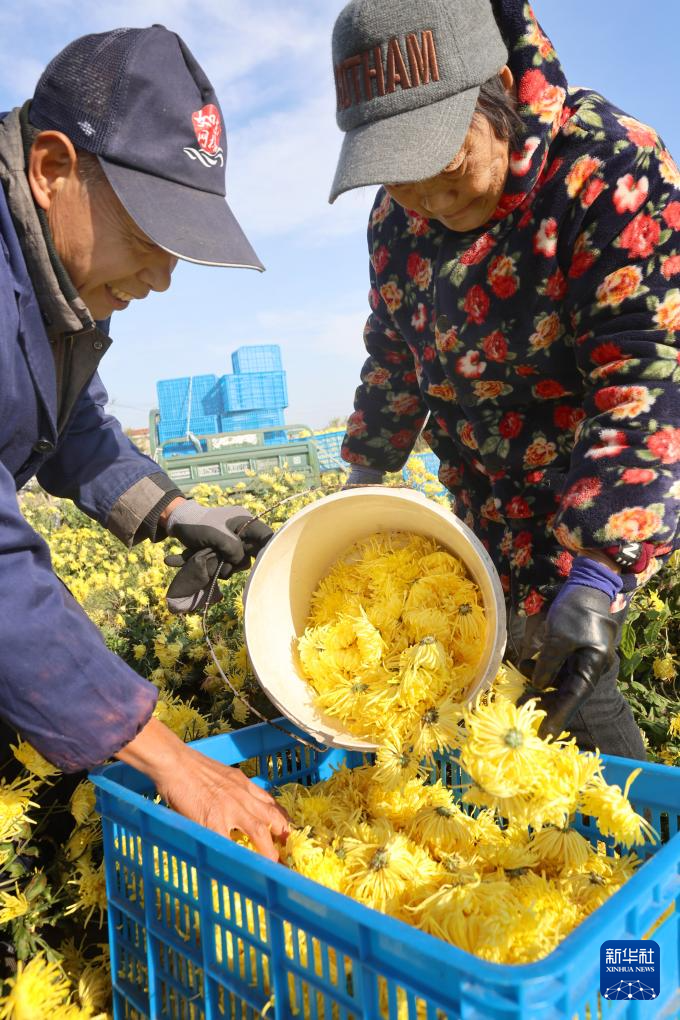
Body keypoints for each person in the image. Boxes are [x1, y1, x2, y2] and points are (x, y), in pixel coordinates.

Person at [329, 0, 680, 757]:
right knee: (486, 719)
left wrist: (599, 571)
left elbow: (647, 376)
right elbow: (393, 351)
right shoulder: (399, 219)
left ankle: (647, 864)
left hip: (586, 509)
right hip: (482, 518)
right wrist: (360, 481)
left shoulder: (605, 167)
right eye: (396, 174)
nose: (421, 197)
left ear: (494, 88)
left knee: (574, 708)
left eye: (441, 162)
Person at [0, 26, 289, 860]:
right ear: (53, 170)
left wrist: (174, 508)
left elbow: (72, 425)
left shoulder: (49, 285)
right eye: (149, 232)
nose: (162, 275)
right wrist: (169, 758)